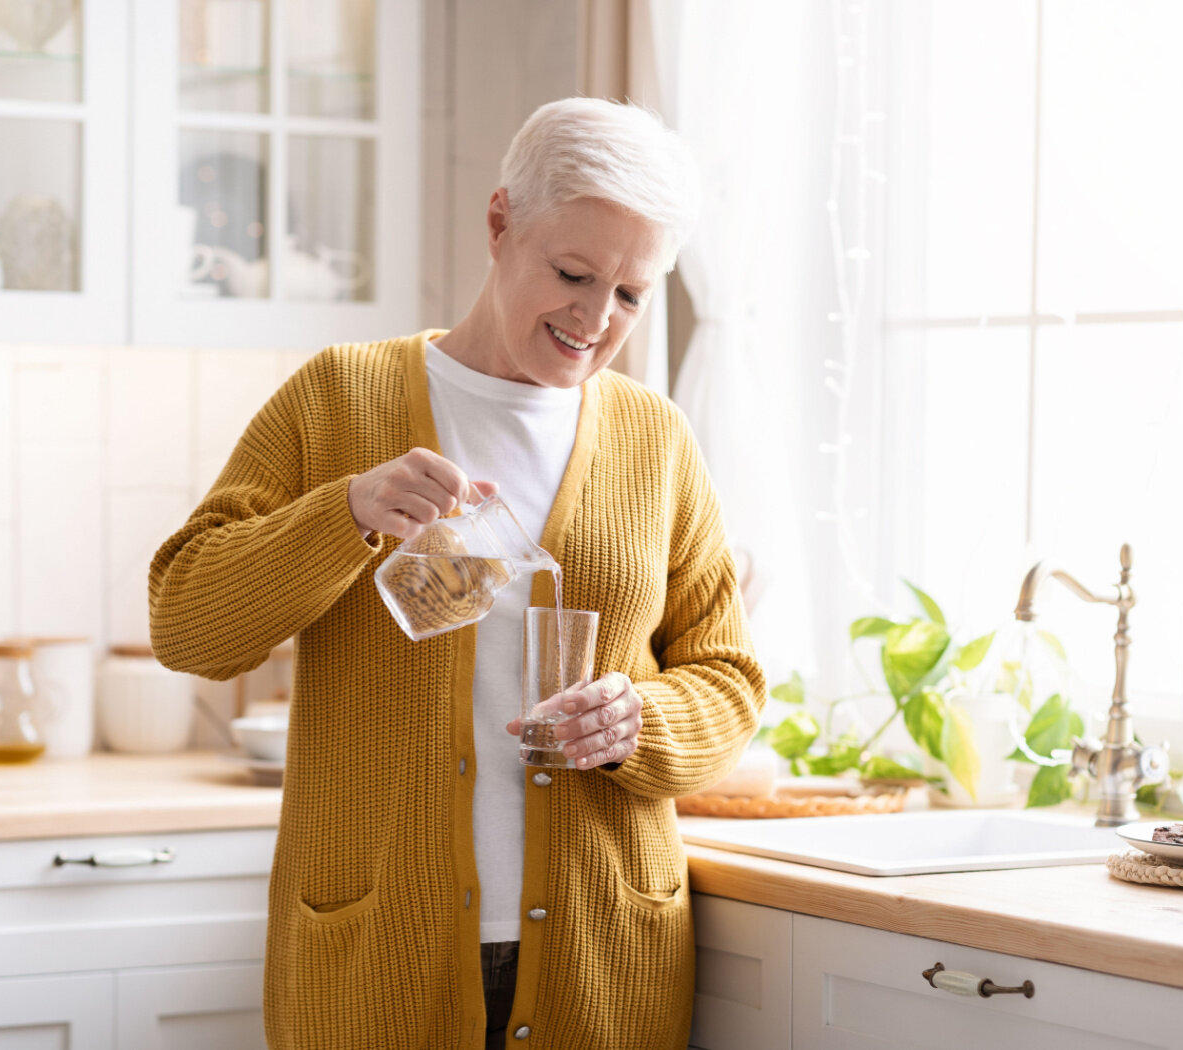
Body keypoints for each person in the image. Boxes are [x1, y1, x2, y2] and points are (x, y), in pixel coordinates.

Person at [149, 97, 765, 1050]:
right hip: (374, 948)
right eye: (572, 272)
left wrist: (645, 721)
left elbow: (726, 678)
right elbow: (187, 621)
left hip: (602, 957)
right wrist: (344, 514)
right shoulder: (341, 398)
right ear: (500, 221)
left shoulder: (657, 442)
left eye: (632, 295)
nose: (596, 319)